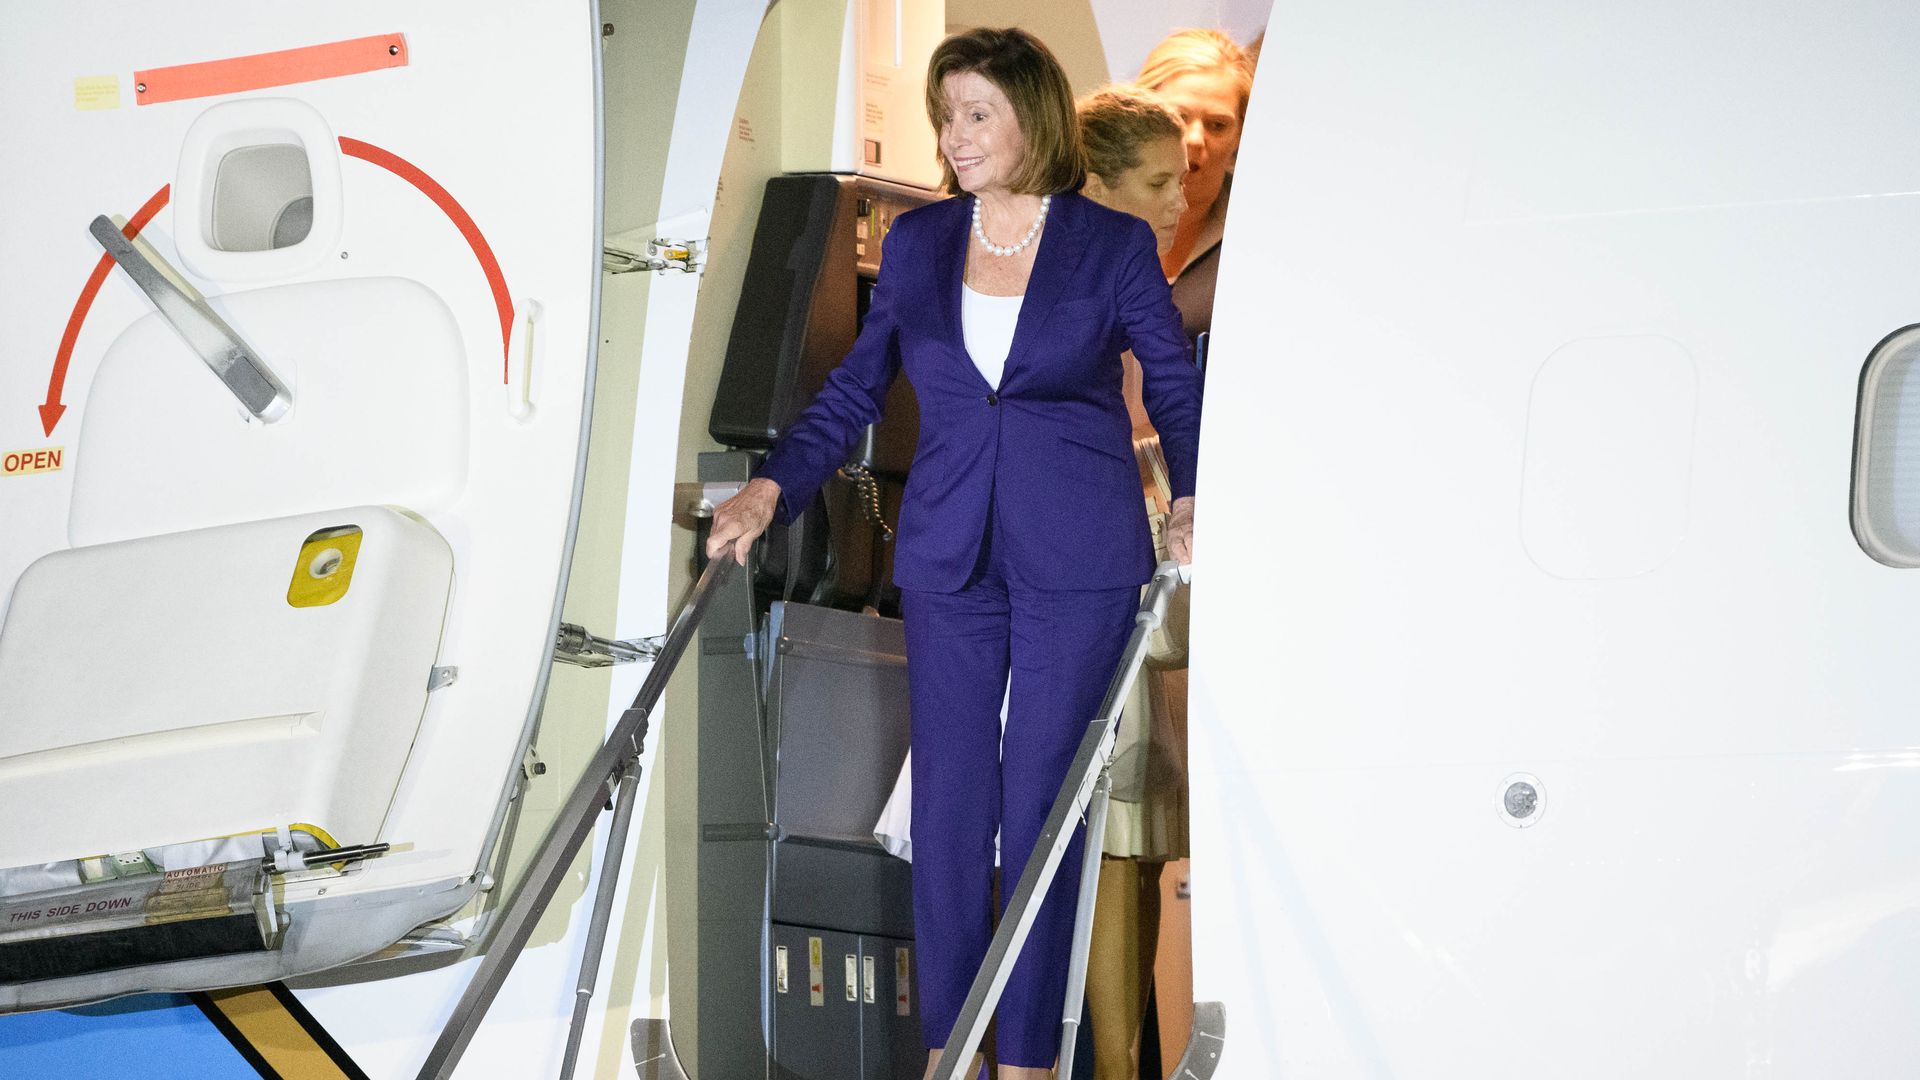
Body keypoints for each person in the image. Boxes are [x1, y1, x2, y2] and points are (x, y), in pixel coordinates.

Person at [705, 27, 1201, 1080]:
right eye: (946, 115)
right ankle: (950, 1043)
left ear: (1036, 120)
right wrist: (769, 485)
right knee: (948, 807)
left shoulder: (1106, 248)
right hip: (948, 554)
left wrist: (1197, 492)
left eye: (978, 113)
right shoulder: (927, 244)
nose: (955, 135)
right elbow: (851, 391)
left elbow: (1173, 379)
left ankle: (1020, 1058)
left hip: (1078, 558)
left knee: (1038, 809)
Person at [1072, 85, 1189, 1080]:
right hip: (1080, 552)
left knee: (1141, 842)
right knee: (1111, 840)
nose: (1177, 203)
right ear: (1095, 182)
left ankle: (1128, 1058)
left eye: (1185, 183)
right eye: (1157, 183)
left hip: (1133, 522)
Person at [1137, 29, 1256, 341]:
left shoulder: (1259, 232)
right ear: (1139, 117)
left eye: (1218, 125)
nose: (1194, 139)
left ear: (1240, 134)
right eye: (1178, 116)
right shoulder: (1083, 218)